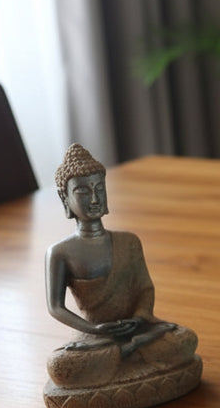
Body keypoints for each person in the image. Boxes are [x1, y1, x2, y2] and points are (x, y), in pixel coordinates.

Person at [45, 144, 198, 390]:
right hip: (96, 336)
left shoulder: (129, 241)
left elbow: (145, 288)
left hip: (137, 325)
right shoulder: (60, 252)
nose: (94, 198)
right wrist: (93, 328)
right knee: (61, 366)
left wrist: (139, 317)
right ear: (65, 197)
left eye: (98, 188)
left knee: (184, 340)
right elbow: (55, 307)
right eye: (83, 191)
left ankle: (129, 350)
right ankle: (133, 349)